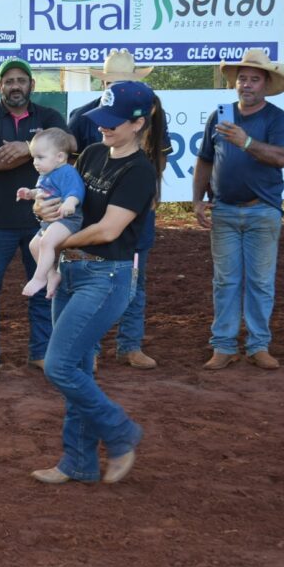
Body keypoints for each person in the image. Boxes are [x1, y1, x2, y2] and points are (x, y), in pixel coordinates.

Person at [31, 81, 166, 485]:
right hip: (74, 272)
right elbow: (54, 198)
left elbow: (108, 230)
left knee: (59, 365)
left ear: (138, 123)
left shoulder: (140, 171)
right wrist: (43, 207)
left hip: (106, 276)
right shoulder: (90, 154)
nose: (102, 128)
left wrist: (54, 242)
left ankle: (121, 431)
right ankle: (79, 461)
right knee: (76, 367)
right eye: (102, 120)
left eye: (112, 122)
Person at [193, 49, 284, 371]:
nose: (246, 85)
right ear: (235, 83)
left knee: (260, 282)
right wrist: (197, 199)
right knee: (225, 281)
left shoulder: (276, 118)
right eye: (242, 79)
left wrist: (245, 142)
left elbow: (281, 158)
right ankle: (223, 346)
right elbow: (205, 159)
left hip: (262, 210)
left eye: (254, 79)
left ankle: (257, 345)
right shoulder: (219, 115)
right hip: (223, 209)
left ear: (265, 84)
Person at [68, 49, 166, 370]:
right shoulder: (86, 122)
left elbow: (157, 158)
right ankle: (91, 349)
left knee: (133, 279)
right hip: (94, 218)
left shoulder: (150, 121)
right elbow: (74, 170)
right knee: (93, 283)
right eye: (114, 83)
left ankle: (129, 345)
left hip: (127, 212)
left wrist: (152, 193)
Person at [0, 58, 65, 380]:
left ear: (31, 85)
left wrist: (25, 148)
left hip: (43, 219)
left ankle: (41, 353)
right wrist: (41, 152)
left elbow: (67, 149)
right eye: (8, 81)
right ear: (0, 87)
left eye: (21, 80)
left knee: (42, 287)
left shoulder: (50, 117)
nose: (15, 86)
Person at [15, 128, 84, 299]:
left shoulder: (67, 172)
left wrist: (70, 202)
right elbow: (42, 192)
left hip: (68, 219)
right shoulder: (46, 174)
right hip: (50, 222)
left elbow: (76, 191)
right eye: (33, 158)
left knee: (46, 243)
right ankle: (51, 274)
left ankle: (38, 278)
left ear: (60, 157)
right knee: (33, 245)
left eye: (40, 157)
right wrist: (30, 193)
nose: (35, 163)